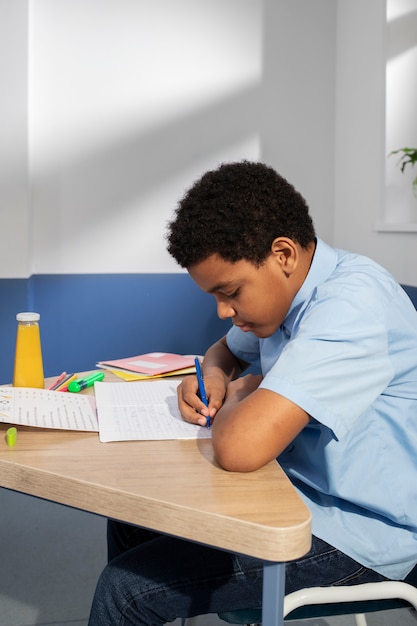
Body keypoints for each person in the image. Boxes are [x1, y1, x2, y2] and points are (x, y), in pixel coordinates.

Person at [88, 161, 417, 625]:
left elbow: (240, 448)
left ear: (282, 255)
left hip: (360, 529)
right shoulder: (285, 295)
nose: (224, 311)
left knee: (124, 591)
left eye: (230, 292)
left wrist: (248, 390)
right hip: (293, 488)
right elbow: (224, 351)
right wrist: (218, 377)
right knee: (131, 516)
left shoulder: (351, 305)